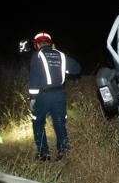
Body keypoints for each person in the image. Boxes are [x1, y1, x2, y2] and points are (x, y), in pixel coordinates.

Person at [29, 31, 81, 161]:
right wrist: (63, 67)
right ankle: (63, 151)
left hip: (43, 96)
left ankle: (43, 154)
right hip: (59, 95)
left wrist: (33, 99)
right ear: (49, 42)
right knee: (59, 122)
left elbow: (34, 79)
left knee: (38, 122)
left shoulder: (37, 56)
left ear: (36, 44)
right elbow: (77, 68)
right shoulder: (61, 55)